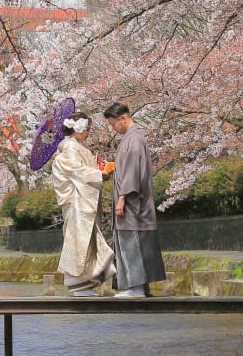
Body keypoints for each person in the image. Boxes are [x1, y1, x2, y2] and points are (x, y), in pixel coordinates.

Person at [51, 110, 117, 297]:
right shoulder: (71, 148)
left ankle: (83, 284)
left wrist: (99, 168)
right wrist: (100, 173)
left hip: (81, 202)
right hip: (77, 203)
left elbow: (81, 169)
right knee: (81, 242)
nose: (88, 132)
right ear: (78, 129)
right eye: (87, 129)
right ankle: (79, 284)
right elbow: (77, 171)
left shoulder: (75, 147)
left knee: (85, 242)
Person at [104, 102, 165, 298]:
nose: (114, 128)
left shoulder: (135, 139)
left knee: (132, 242)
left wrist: (122, 198)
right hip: (131, 202)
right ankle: (139, 287)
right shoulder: (130, 139)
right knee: (133, 241)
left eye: (114, 124)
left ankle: (136, 287)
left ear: (123, 118)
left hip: (132, 203)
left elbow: (132, 172)